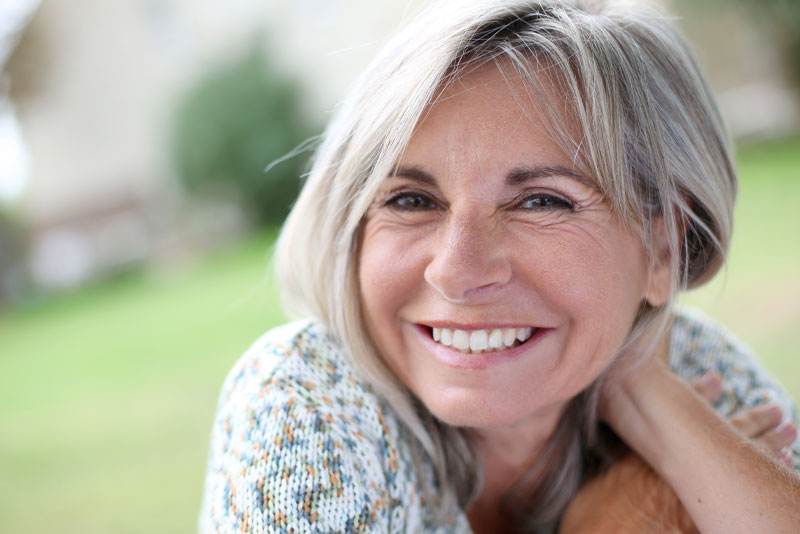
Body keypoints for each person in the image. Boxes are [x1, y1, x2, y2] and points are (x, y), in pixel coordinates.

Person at [199, 1, 800, 532]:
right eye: (412, 199)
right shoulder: (310, 404)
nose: (456, 271)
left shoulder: (695, 371)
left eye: (541, 201)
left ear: (662, 250)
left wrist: (648, 400)